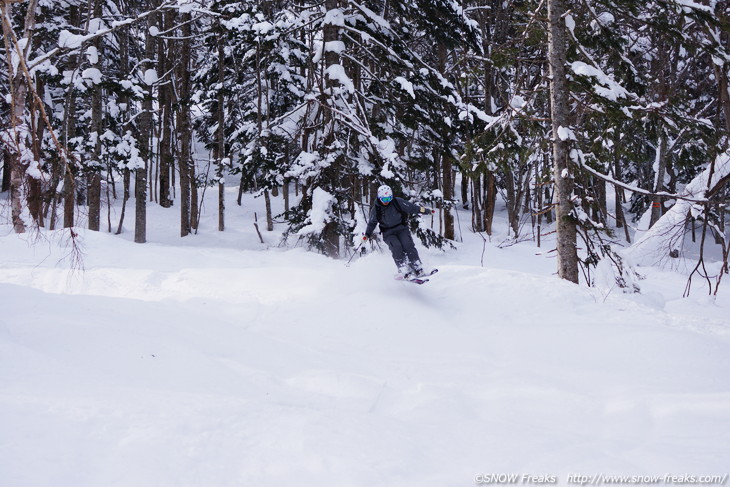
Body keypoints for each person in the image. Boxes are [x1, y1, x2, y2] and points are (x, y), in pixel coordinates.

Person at [363, 184, 433, 277]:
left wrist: (426, 211)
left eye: (389, 199)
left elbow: (412, 208)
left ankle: (417, 267)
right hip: (388, 233)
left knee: (408, 245)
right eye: (384, 199)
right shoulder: (376, 209)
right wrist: (367, 234)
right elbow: (372, 223)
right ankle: (404, 269)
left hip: (401, 228)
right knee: (396, 247)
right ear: (379, 198)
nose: (386, 202)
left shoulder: (397, 202)